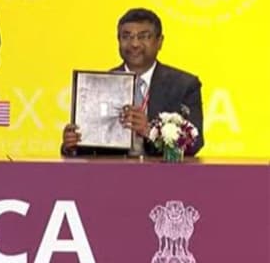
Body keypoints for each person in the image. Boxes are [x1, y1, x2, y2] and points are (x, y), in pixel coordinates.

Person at [62, 8, 204, 156]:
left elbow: (195, 143)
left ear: (159, 42)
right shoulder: (100, 85)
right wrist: (72, 145)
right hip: (112, 170)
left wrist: (149, 131)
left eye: (144, 36)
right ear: (118, 40)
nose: (134, 44)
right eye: (127, 36)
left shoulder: (184, 86)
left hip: (161, 170)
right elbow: (90, 149)